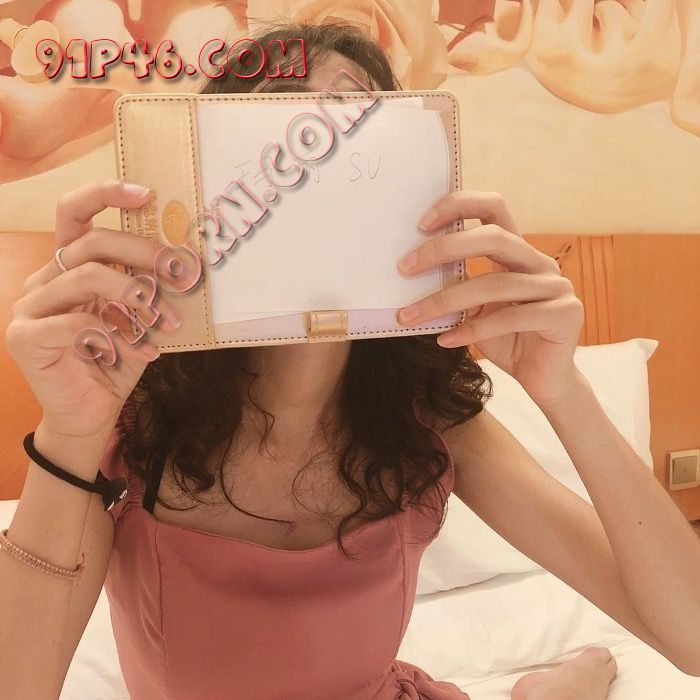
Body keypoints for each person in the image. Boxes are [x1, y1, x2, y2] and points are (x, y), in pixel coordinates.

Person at [2, 21, 700, 700]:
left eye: (355, 146)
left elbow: (692, 638)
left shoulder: (424, 419)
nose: (312, 182)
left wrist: (564, 390)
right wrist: (68, 431)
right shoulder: (131, 420)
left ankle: (571, 677)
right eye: (277, 155)